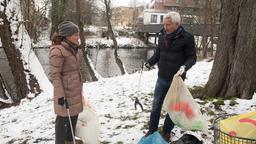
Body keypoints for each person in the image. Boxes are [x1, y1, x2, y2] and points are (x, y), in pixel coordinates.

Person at [144, 11, 197, 141]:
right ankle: (152, 130)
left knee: (173, 109)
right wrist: (149, 62)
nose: (165, 27)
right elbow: (158, 54)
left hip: (177, 80)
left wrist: (184, 67)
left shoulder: (187, 37)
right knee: (156, 105)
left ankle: (167, 131)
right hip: (161, 77)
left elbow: (192, 57)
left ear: (177, 24)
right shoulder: (162, 35)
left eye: (168, 24)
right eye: (164, 24)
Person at [50, 21, 85, 144]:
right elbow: (55, 75)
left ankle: (69, 139)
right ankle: (59, 142)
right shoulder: (57, 51)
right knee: (62, 118)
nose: (78, 37)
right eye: (75, 34)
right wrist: (60, 95)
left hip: (74, 89)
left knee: (74, 114)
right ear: (67, 36)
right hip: (64, 91)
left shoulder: (73, 48)